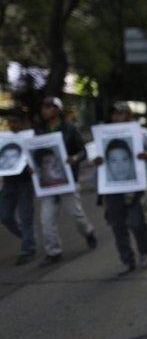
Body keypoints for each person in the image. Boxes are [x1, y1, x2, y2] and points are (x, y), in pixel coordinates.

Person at [93, 102, 147, 275]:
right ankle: (127, 260)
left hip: (136, 188)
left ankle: (144, 252)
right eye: (115, 114)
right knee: (117, 225)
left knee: (137, 223)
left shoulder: (141, 133)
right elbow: (93, 157)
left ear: (129, 115)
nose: (118, 117)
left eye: (122, 113)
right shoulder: (102, 135)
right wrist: (96, 161)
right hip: (112, 190)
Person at [36, 96, 97, 267]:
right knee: (46, 219)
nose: (44, 110)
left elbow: (83, 151)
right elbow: (34, 154)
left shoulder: (70, 129)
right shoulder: (39, 131)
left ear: (57, 110)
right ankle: (53, 251)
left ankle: (89, 233)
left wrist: (74, 158)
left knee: (76, 215)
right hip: (47, 182)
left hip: (67, 180)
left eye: (48, 107)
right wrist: (31, 165)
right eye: (43, 107)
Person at [0, 107, 36, 265]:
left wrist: (32, 165)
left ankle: (27, 249)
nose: (11, 125)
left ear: (23, 123)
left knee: (25, 216)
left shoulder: (30, 138)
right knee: (5, 216)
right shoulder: (4, 139)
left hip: (25, 182)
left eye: (14, 122)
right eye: (9, 122)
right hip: (8, 182)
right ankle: (27, 238)